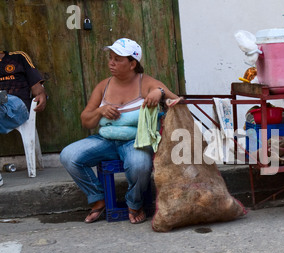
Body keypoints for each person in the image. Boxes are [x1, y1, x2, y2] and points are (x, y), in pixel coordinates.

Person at [60, 38, 179, 224]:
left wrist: (160, 93)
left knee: (139, 165)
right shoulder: (103, 86)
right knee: (69, 156)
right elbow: (86, 120)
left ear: (132, 64)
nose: (111, 63)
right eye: (110, 58)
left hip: (135, 141)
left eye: (117, 59)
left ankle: (134, 202)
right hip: (105, 140)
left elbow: (178, 103)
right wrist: (100, 111)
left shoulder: (146, 83)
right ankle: (97, 199)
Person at [0, 50, 47, 187]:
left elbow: (37, 85)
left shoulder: (18, 57)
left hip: (17, 105)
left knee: (4, 99)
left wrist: (41, 95)